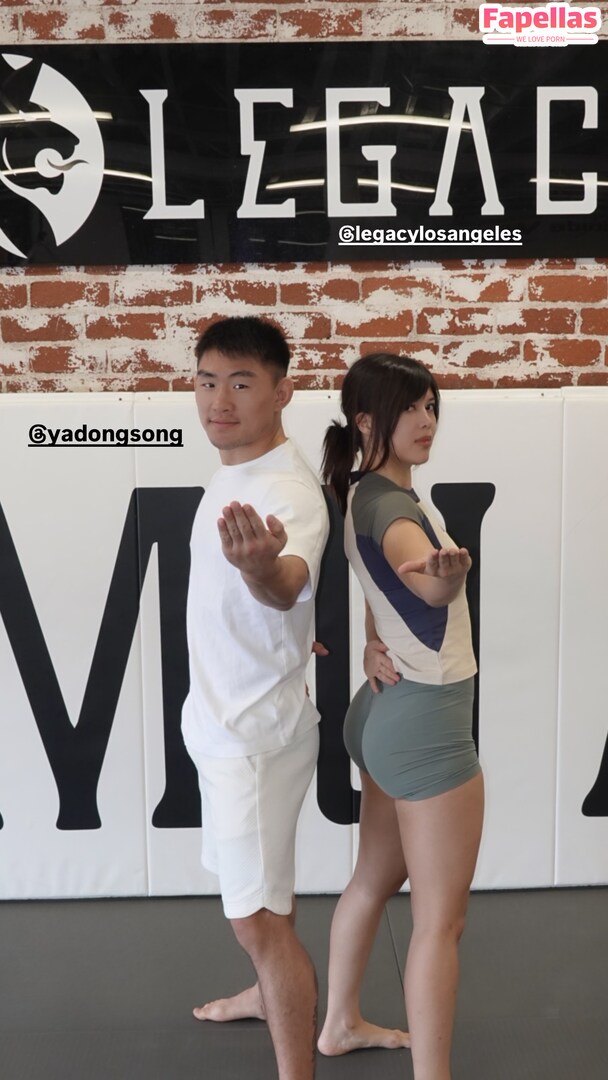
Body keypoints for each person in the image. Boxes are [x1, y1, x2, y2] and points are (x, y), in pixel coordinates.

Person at [318, 353, 484, 1080]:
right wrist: (442, 582)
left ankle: (339, 1024)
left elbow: (380, 583)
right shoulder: (390, 507)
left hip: (382, 716)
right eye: (409, 408)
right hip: (425, 729)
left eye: (431, 407)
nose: (426, 421)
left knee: (372, 880)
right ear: (365, 421)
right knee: (441, 922)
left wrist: (371, 639)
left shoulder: (363, 490)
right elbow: (416, 572)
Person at [181, 315, 329, 1080]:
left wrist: (261, 569)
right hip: (225, 724)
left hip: (254, 741)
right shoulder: (236, 468)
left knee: (258, 925)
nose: (219, 401)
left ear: (282, 392)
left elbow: (287, 584)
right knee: (266, 895)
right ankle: (267, 996)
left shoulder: (286, 493)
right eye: (208, 381)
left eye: (241, 383)